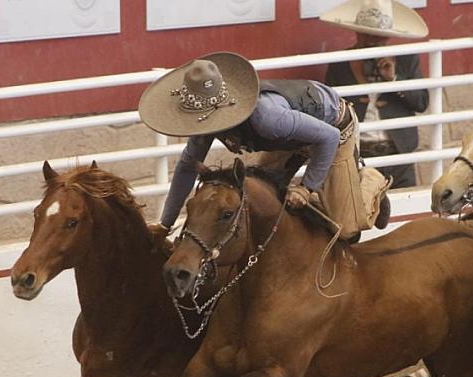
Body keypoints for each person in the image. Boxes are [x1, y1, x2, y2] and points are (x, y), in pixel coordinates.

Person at [142, 52, 388, 241]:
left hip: (333, 127)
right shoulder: (206, 125)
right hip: (289, 136)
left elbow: (329, 137)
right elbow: (187, 168)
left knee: (345, 229)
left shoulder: (267, 119)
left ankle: (370, 184)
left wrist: (305, 188)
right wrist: (165, 224)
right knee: (265, 199)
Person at [322, 0, 429, 189]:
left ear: (389, 36)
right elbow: (330, 109)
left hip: (399, 154)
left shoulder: (406, 59)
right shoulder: (340, 63)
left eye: (380, 37)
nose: (374, 41)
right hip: (360, 154)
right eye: (368, 35)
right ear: (357, 33)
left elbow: (421, 102)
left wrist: (394, 79)